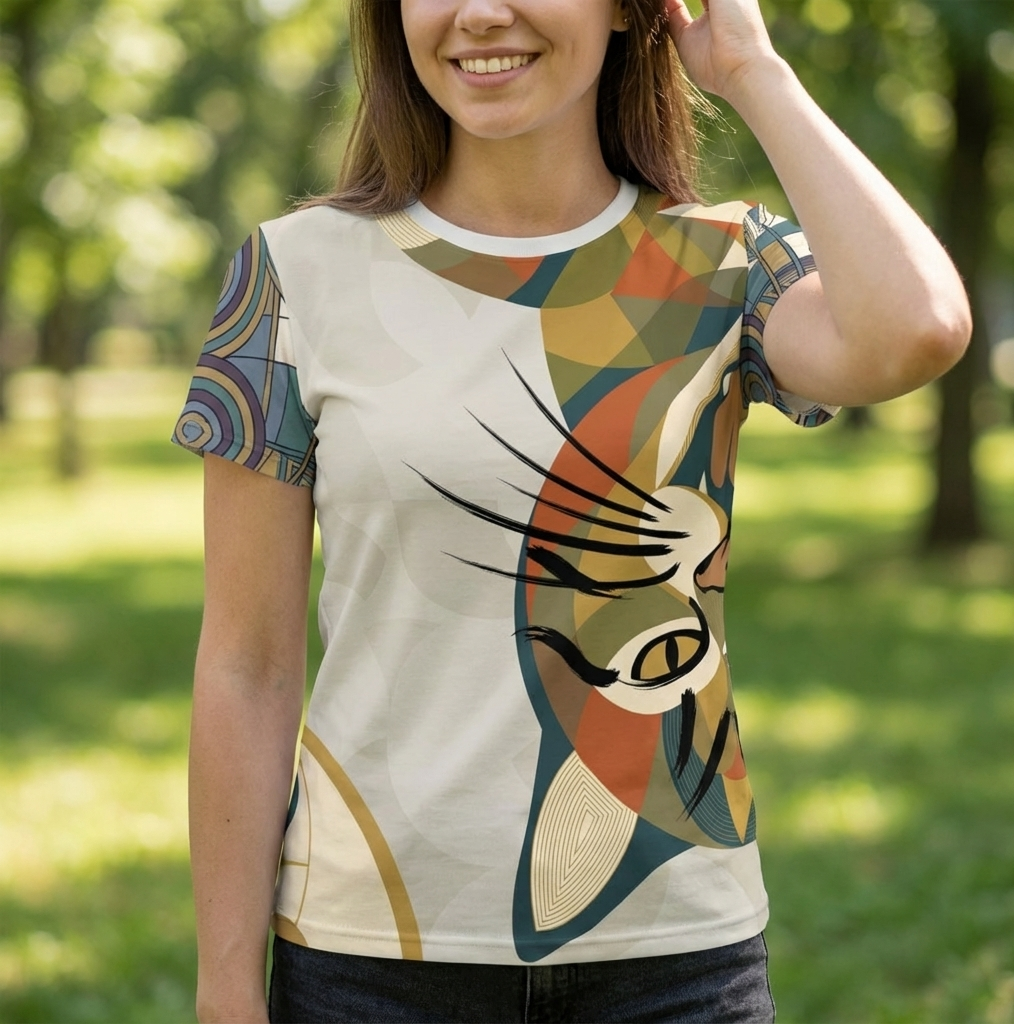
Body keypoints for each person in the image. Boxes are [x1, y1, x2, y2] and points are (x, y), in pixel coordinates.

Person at [172, 0, 971, 1020]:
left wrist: (752, 71)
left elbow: (917, 329)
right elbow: (247, 666)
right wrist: (227, 989)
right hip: (368, 958)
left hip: (674, 951)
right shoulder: (291, 274)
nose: (479, 14)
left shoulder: (721, 262)